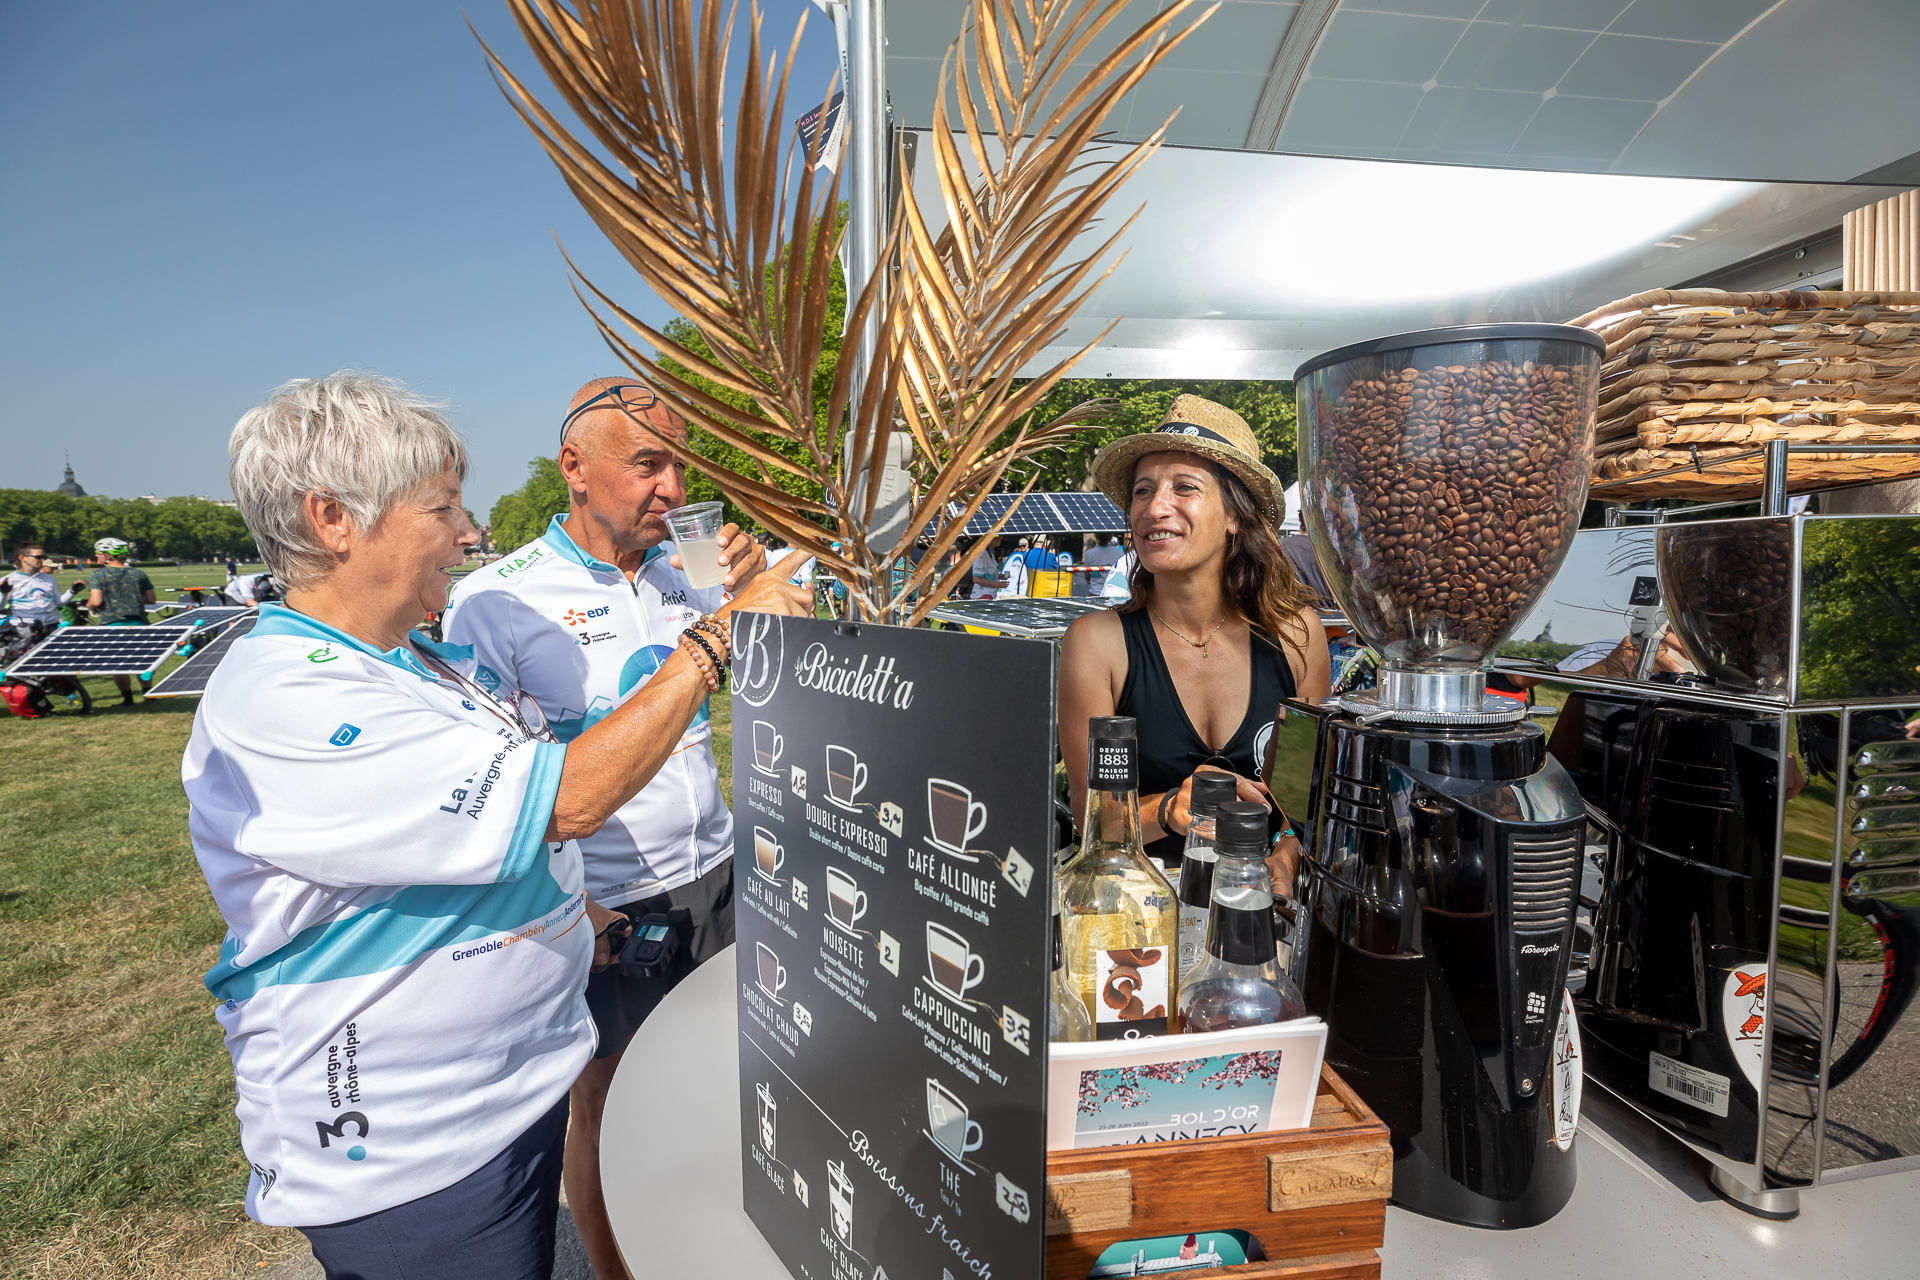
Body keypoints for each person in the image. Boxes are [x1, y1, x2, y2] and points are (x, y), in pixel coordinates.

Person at [186, 371, 809, 1280]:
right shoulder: (290, 695)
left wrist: (565, 906)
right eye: (442, 508)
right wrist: (711, 646)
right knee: (618, 1119)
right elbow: (562, 799)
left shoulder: (416, 661)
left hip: (503, 1093)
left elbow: (476, 819)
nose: (468, 532)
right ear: (332, 519)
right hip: (408, 1147)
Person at [442, 377, 794, 1280]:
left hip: (717, 870)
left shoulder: (686, 572)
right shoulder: (497, 598)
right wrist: (569, 899)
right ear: (574, 466)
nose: (672, 488)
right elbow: (492, 782)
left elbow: (764, 677)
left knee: (713, 1082)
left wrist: (753, 584)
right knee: (608, 1105)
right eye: (647, 464)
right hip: (603, 901)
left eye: (679, 466)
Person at [1059, 395, 1331, 886]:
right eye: (1142, 491)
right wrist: (1169, 807)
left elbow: (1298, 801)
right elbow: (1089, 818)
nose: (1154, 507)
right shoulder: (1098, 643)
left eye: (1184, 487)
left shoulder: (1296, 635)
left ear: (1235, 517)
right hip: (1137, 911)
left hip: (1256, 909)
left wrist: (1286, 858)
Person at [88, 538, 156, 704]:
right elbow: (151, 599)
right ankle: (148, 695)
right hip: (138, 623)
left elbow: (96, 601)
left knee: (118, 663)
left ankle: (127, 699)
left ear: (108, 555)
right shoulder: (138, 574)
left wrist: (89, 605)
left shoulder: (98, 575)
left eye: (98, 553)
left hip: (111, 624)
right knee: (142, 660)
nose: (96, 556)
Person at [4, 544, 62, 633]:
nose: (42, 560)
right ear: (22, 558)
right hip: (24, 628)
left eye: (43, 557)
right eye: (38, 557)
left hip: (51, 625)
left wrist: (72, 591)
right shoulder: (8, 580)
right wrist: (3, 593)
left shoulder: (50, 578)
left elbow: (59, 602)